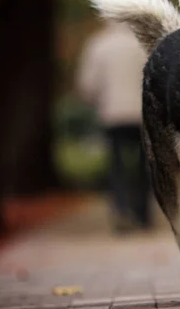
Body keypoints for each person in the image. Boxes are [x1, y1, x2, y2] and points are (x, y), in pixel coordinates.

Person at [76, 21, 151, 233]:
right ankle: (143, 214)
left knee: (117, 165)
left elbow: (87, 85)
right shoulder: (144, 41)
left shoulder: (99, 44)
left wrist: (94, 100)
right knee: (144, 165)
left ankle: (120, 209)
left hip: (113, 114)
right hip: (143, 114)